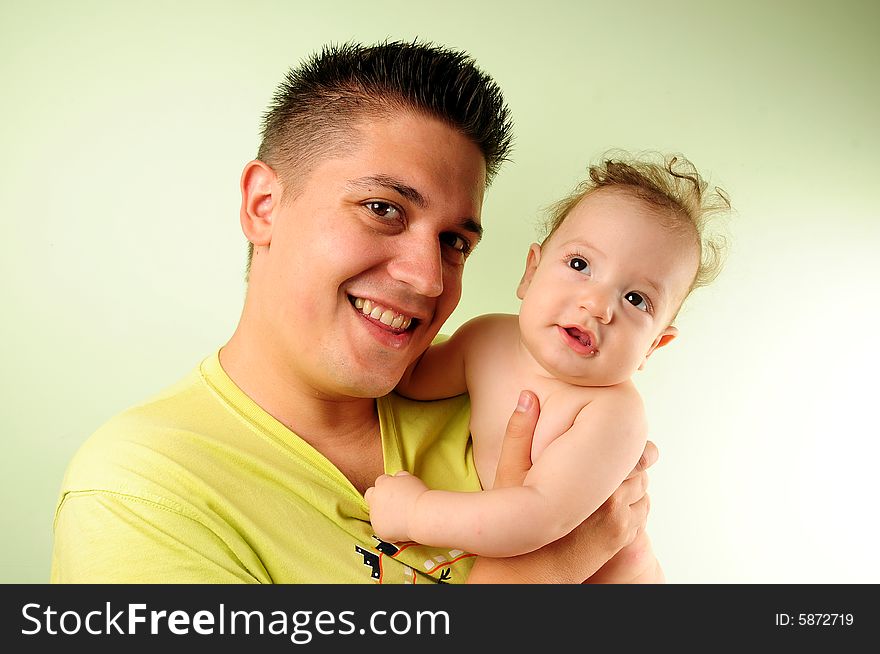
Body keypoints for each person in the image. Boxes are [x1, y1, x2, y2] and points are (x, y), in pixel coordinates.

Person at [51, 41, 656, 584]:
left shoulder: (503, 402)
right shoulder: (140, 494)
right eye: (383, 209)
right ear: (264, 205)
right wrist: (543, 573)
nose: (426, 278)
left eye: (455, 242)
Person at [367, 153, 730, 582]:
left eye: (635, 299)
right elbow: (402, 379)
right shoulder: (484, 340)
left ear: (654, 345)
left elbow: (535, 519)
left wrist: (417, 512)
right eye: (580, 265)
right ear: (530, 272)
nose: (597, 305)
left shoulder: (611, 414)